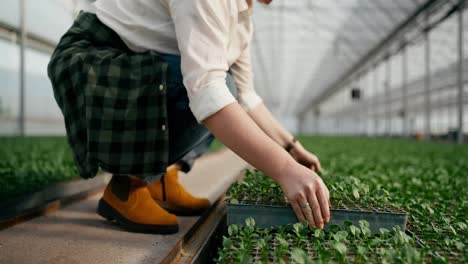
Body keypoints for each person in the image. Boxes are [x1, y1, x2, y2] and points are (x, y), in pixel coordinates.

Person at [48, 0, 330, 234]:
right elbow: (208, 91)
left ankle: (160, 180)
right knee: (214, 88)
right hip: (93, 60)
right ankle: (128, 185)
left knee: (223, 87)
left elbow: (247, 98)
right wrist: (284, 170)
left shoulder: (242, 17)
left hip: (135, 65)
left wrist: (291, 148)